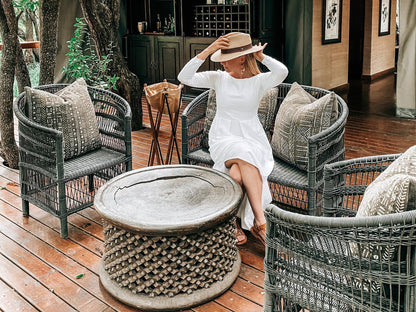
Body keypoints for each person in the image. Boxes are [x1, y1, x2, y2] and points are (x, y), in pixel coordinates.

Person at [177, 32, 288, 246]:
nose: (223, 62)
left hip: (252, 137)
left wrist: (261, 57)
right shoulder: (218, 78)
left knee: (237, 175)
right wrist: (208, 50)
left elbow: (282, 72)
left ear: (242, 58)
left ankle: (233, 222)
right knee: (244, 156)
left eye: (227, 58)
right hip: (223, 137)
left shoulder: (258, 81)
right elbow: (184, 77)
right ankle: (261, 222)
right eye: (221, 57)